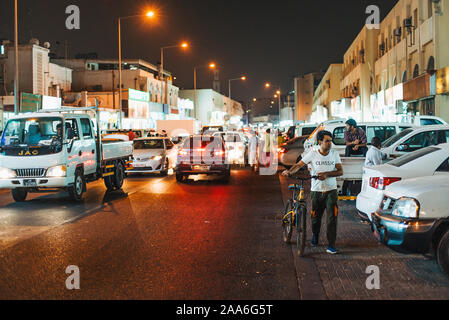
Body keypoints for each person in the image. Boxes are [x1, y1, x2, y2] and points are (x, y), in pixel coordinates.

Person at [282, 130, 344, 255]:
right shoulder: (313, 154)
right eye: (327, 141)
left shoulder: (334, 154)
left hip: (331, 191)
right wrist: (290, 172)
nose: (330, 143)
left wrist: (327, 174)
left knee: (332, 218)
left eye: (331, 141)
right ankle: (315, 236)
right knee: (315, 218)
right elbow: (299, 164)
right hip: (316, 191)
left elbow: (340, 171)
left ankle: (331, 244)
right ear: (320, 142)